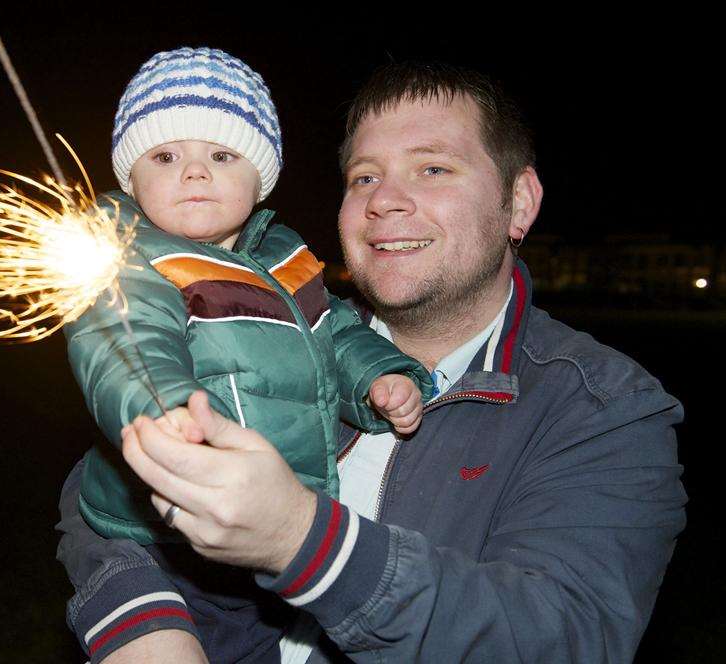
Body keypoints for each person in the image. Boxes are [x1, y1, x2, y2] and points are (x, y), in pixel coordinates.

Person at [58, 61, 687, 663]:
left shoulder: (606, 409)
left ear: (519, 203)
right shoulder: (282, 326)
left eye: (433, 169)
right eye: (364, 177)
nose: (385, 201)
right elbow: (103, 478)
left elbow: (565, 639)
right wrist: (139, 618)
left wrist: (300, 540)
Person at [62, 47, 432, 664]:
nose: (195, 173)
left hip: (256, 544)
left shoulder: (288, 256)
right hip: (149, 540)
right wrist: (167, 412)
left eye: (222, 155)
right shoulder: (129, 254)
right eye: (165, 156)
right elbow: (124, 343)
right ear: (131, 177)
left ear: (259, 176)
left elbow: (336, 330)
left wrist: (377, 376)